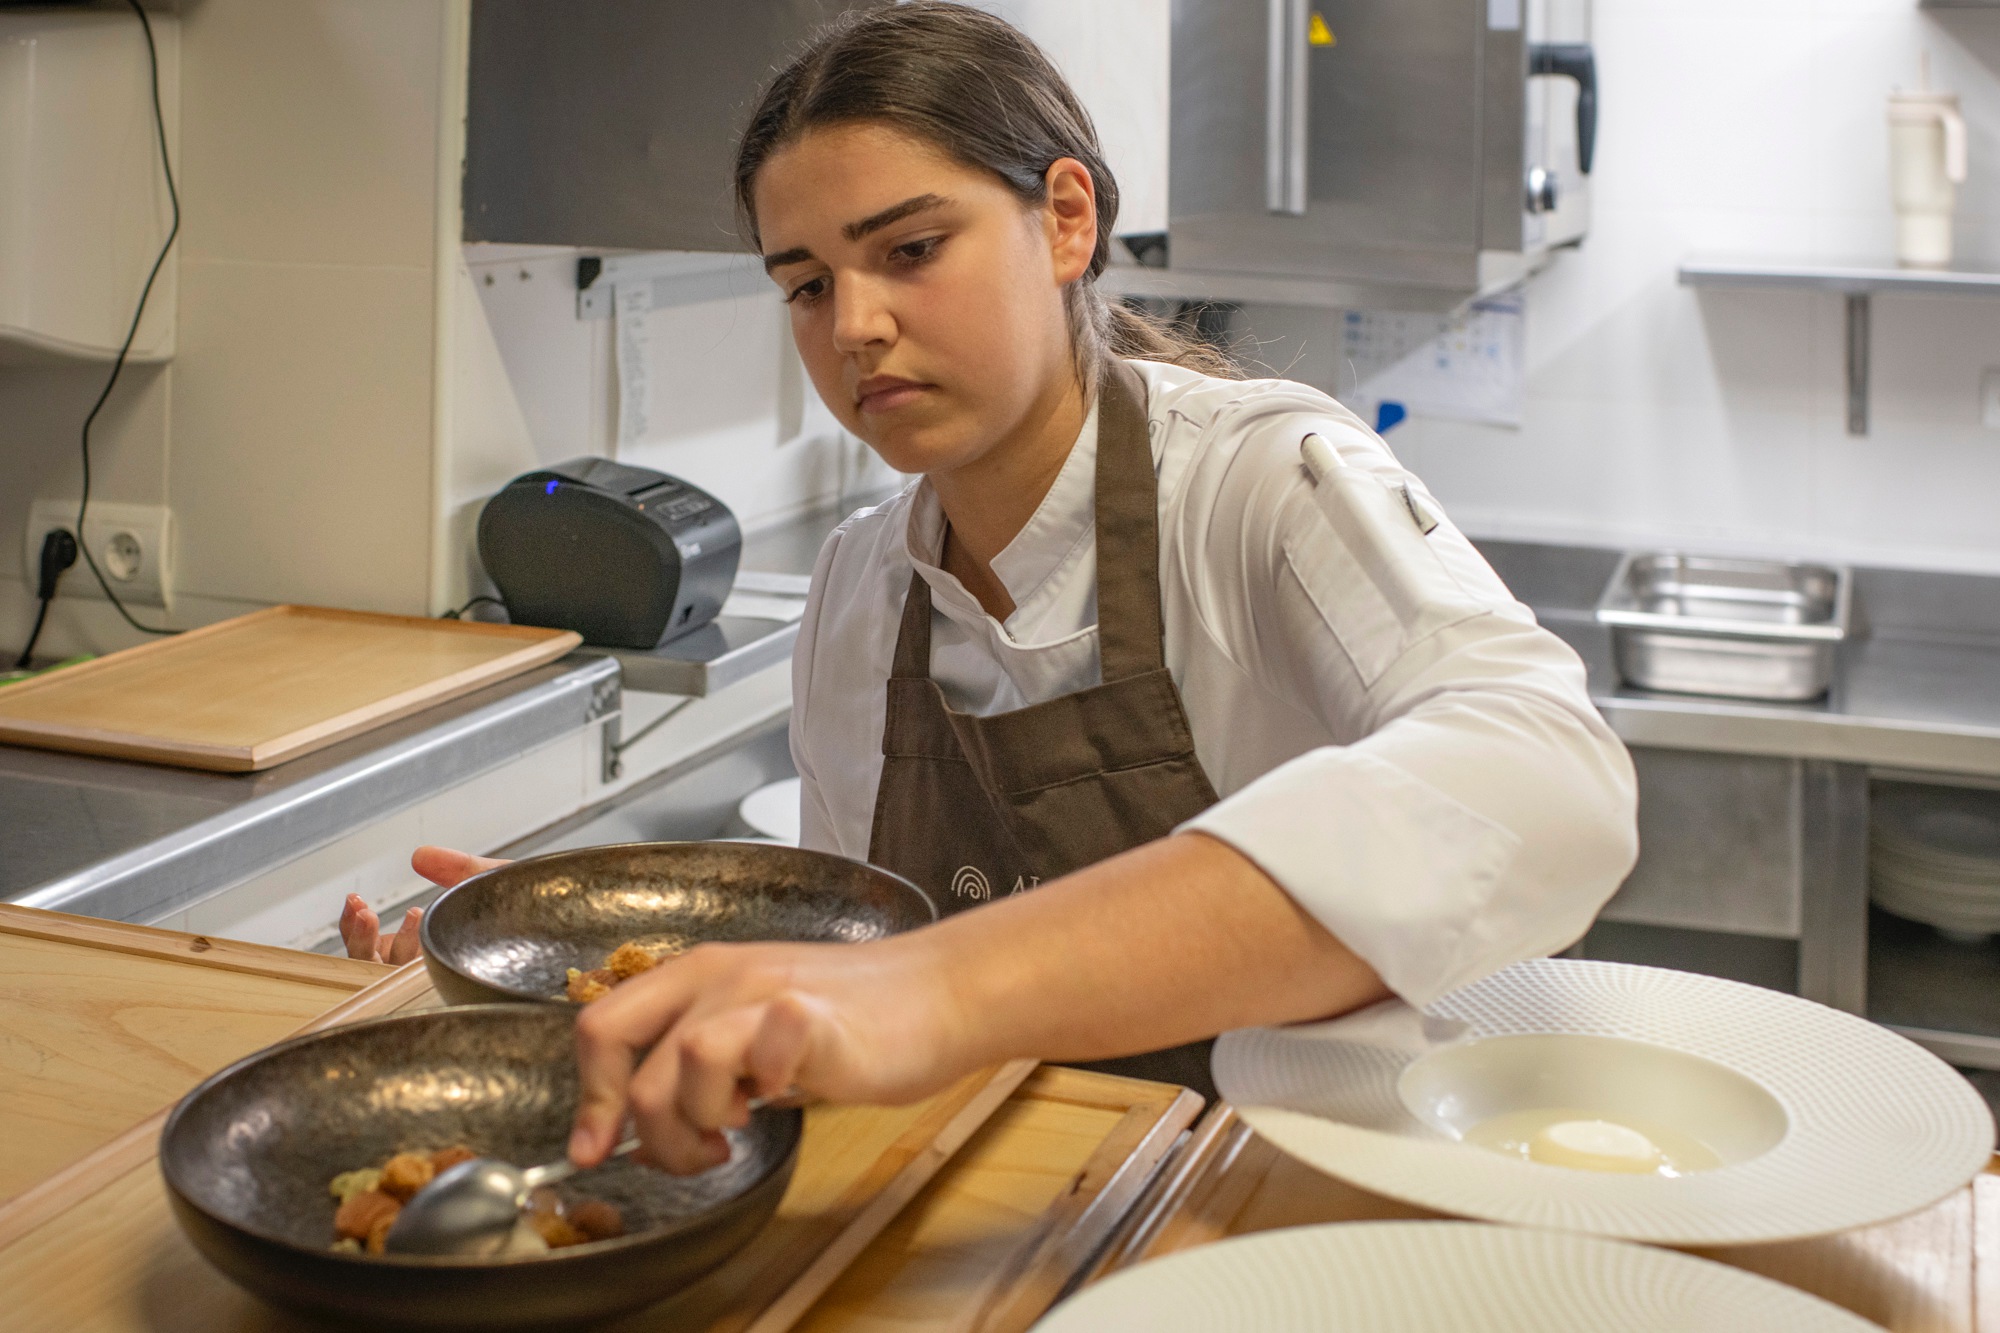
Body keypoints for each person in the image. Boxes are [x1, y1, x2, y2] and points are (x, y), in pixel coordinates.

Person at [344, 2, 1637, 1177]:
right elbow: (855, 969)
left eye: (909, 248)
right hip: (993, 1210)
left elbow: (1548, 774)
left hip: (1272, 1205)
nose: (851, 325)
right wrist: (621, 986)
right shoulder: (861, 593)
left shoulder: (1259, 483)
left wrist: (944, 990)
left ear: (1065, 219)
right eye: (805, 284)